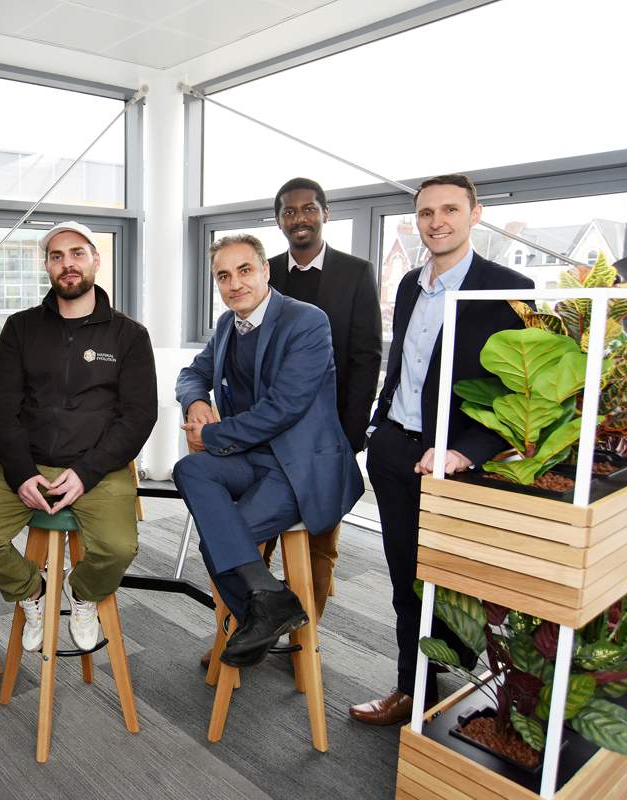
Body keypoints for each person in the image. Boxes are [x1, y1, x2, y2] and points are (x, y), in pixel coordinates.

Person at [349, 174, 534, 725]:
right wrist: (378, 425)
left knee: (460, 583)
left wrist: (466, 451)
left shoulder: (508, 287)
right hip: (394, 453)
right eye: (427, 212)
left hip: (456, 467)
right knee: (407, 578)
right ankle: (414, 688)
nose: (437, 222)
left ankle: (465, 679)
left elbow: (519, 393)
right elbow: (402, 363)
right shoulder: (409, 284)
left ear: (475, 214)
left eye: (450, 210)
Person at [0, 221, 157, 652]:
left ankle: (82, 593)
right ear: (46, 266)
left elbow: (139, 417)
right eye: (57, 256)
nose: (68, 264)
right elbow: (2, 406)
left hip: (97, 467)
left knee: (119, 548)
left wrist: (87, 472)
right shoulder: (21, 328)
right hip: (28, 462)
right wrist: (21, 473)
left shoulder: (129, 335)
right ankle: (33, 593)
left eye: (77, 254)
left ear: (95, 261)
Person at [174, 233, 364, 667]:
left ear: (265, 271)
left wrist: (213, 436)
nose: (234, 284)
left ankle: (253, 623)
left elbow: (284, 408)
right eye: (223, 276)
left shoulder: (307, 321)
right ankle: (268, 607)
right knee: (190, 471)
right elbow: (191, 373)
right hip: (250, 459)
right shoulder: (226, 326)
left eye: (244, 271)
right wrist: (197, 401)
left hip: (296, 466)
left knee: (222, 540)